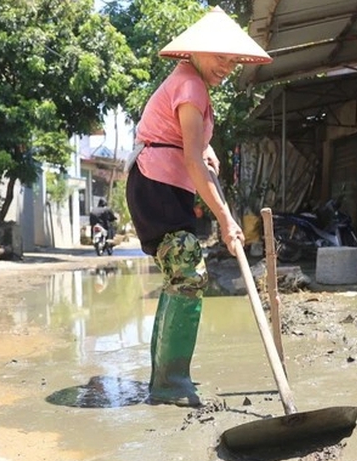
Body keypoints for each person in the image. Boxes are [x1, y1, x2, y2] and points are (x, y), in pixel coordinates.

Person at [125, 6, 272, 407]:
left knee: (181, 275)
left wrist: (205, 148)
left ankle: (165, 380)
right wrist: (226, 221)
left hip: (165, 185)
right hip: (156, 185)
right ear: (197, 51)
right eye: (220, 56)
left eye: (232, 59)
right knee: (188, 270)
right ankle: (170, 383)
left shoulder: (191, 85)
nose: (227, 66)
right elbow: (189, 158)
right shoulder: (190, 85)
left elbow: (189, 146)